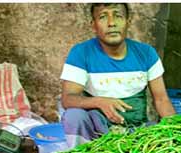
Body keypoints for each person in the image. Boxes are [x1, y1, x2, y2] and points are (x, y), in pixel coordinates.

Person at [61, 3, 175, 140]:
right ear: (93, 25)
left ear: (128, 22)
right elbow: (68, 99)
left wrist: (177, 128)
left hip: (137, 131)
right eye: (103, 17)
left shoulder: (146, 53)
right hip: (97, 134)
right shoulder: (81, 53)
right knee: (74, 116)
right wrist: (99, 102)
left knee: (160, 137)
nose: (111, 23)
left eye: (118, 16)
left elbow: (162, 99)